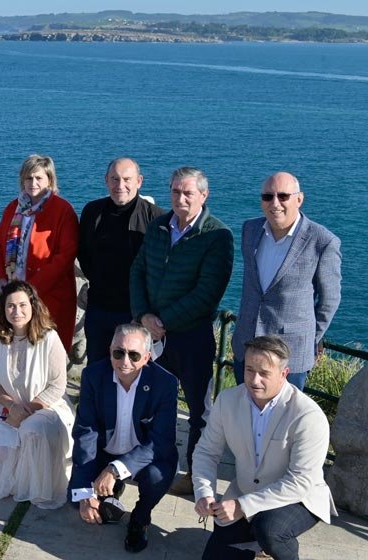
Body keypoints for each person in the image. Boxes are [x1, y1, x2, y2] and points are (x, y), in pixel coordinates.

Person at [130, 166, 233, 495]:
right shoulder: (159, 225)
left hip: (191, 338)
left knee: (199, 412)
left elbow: (207, 293)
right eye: (176, 191)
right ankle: (152, 461)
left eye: (188, 192)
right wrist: (143, 315)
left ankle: (195, 474)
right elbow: (138, 270)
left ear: (204, 195)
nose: (181, 198)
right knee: (150, 401)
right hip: (153, 334)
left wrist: (163, 322)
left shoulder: (217, 236)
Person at [193, 335, 336, 560]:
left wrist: (242, 506)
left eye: (264, 373)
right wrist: (204, 493)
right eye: (249, 370)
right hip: (246, 490)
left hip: (298, 498)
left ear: (284, 374)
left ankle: (278, 549)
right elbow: (206, 452)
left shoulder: (308, 416)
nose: (254, 380)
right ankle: (258, 546)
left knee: (270, 530)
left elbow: (299, 482)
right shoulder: (227, 400)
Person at [69, 324, 178, 554]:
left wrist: (115, 469)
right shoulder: (93, 376)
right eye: (118, 352)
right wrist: (84, 495)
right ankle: (110, 489)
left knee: (157, 477)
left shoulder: (165, 383)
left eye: (134, 355)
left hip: (144, 456)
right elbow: (85, 433)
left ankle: (140, 518)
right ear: (110, 350)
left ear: (147, 357)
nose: (124, 361)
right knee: (75, 500)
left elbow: (160, 441)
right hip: (105, 450)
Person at [230, 171, 341, 391]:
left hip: (289, 355)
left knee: (283, 420)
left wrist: (309, 337)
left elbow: (329, 300)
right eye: (267, 197)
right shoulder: (250, 230)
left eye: (283, 196)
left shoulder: (323, 241)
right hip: (247, 347)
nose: (275, 203)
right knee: (245, 417)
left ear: (299, 199)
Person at [0, 281, 74, 508]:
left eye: (23, 305)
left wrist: (27, 411)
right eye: (10, 306)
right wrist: (12, 408)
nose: (17, 311)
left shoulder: (49, 338)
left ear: (33, 306)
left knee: (32, 432)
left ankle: (39, 485)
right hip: (8, 408)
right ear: (3, 309)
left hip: (45, 407)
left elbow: (57, 386)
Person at [79, 157, 164, 364]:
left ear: (139, 181)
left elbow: (161, 268)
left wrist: (145, 310)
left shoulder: (156, 218)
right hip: (99, 307)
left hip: (136, 312)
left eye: (127, 179)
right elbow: (85, 255)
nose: (120, 185)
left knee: (133, 370)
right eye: (115, 179)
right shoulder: (92, 212)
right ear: (106, 180)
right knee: (97, 367)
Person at [0, 154, 78, 352]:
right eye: (28, 178)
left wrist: (30, 290)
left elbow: (64, 256)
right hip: (14, 297)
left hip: (49, 297)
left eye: (39, 178)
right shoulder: (14, 208)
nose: (33, 183)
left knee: (47, 353)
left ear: (50, 180)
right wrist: (0, 279)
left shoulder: (63, 210)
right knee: (16, 351)